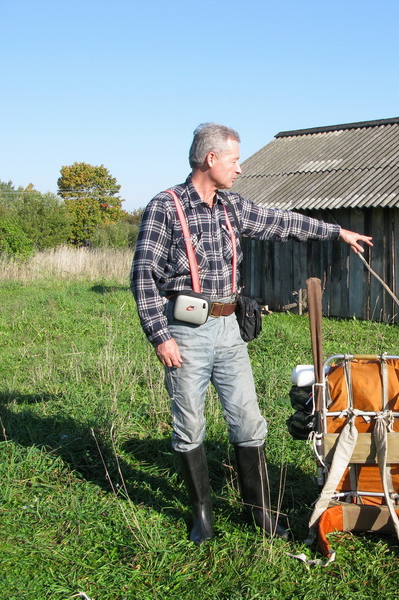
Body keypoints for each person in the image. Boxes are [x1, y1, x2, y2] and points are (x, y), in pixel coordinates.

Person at [130, 123, 372, 543]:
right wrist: (159, 335)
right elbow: (142, 277)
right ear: (211, 159)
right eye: (234, 159)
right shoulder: (165, 207)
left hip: (229, 328)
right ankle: (202, 515)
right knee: (189, 424)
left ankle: (258, 513)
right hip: (185, 332)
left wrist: (337, 232)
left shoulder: (232, 207)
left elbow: (281, 221)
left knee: (248, 421)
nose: (239, 168)